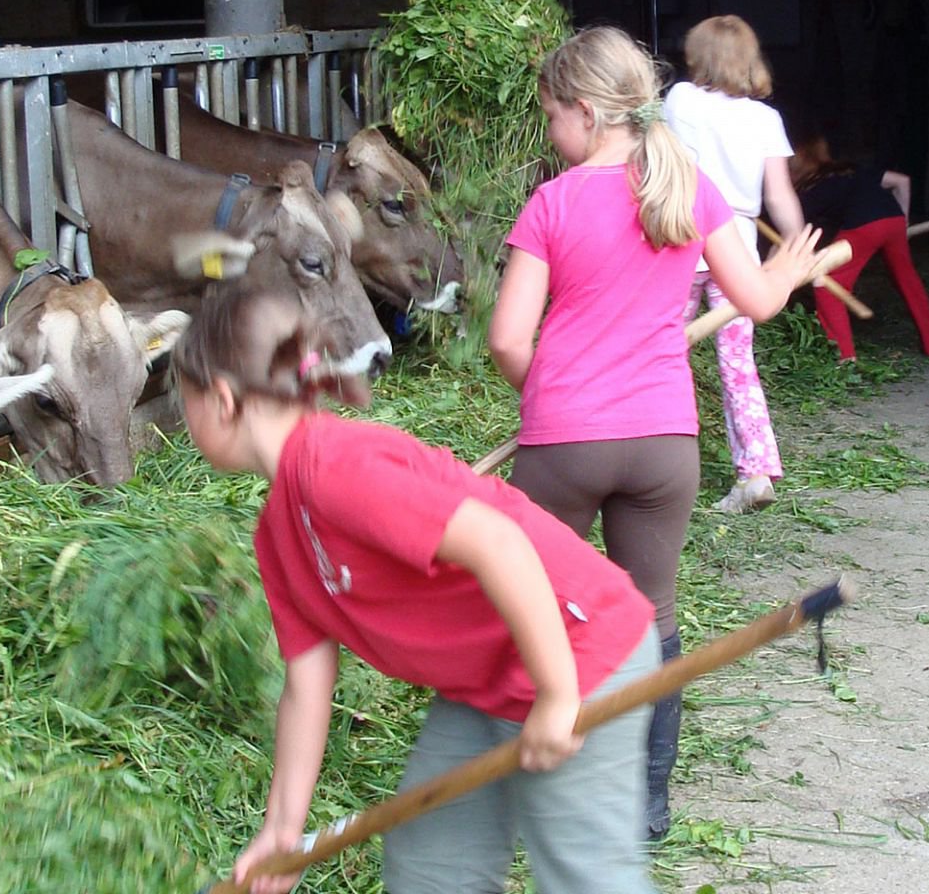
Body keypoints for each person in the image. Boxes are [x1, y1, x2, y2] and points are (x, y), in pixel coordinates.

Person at [179, 283, 664, 894]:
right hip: (483, 679)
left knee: (584, 873)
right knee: (430, 865)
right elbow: (306, 687)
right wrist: (283, 831)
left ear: (221, 398)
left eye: (184, 396)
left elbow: (499, 544)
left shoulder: (336, 468)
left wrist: (557, 693)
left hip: (580, 650)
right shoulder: (279, 531)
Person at [489, 24, 827, 841]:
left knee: (537, 608)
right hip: (663, 443)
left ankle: (538, 786)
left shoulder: (553, 202)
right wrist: (788, 271)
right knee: (651, 616)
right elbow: (756, 299)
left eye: (550, 117)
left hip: (565, 441)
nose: (548, 133)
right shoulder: (686, 185)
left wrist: (551, 399)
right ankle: (646, 802)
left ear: (583, 112)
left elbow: (506, 340)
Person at [662, 14, 806, 514]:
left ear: (700, 56)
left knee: (662, 355)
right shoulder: (765, 120)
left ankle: (663, 467)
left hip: (679, 240)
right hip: (739, 249)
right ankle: (756, 471)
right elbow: (780, 196)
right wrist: (796, 244)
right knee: (738, 365)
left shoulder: (680, 100)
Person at [791, 134, 929, 361]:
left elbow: (795, 230)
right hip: (894, 219)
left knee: (828, 283)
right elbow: (901, 182)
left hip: (864, 226)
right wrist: (904, 222)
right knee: (907, 278)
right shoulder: (851, 169)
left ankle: (844, 356)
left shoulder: (811, 188)